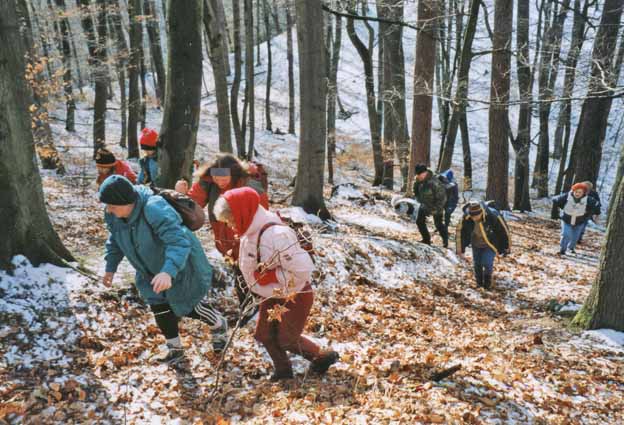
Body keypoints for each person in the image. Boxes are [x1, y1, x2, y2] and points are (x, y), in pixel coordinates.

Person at [213, 187, 339, 381]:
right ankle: (283, 372)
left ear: (242, 213)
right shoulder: (249, 231)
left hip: (295, 294)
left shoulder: (277, 234)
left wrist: (272, 276)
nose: (230, 226)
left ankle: (322, 357)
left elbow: (303, 269)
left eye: (231, 220)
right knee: (264, 335)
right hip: (272, 294)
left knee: (287, 339)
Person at [100, 175, 228, 365]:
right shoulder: (114, 215)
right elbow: (115, 239)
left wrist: (168, 271)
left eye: (112, 206)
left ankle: (219, 323)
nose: (108, 210)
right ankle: (175, 350)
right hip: (149, 270)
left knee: (188, 306)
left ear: (126, 202)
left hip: (181, 264)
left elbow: (178, 242)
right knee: (159, 308)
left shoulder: (154, 208)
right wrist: (110, 268)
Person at [175, 154, 269, 324]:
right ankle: (248, 311)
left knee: (249, 274)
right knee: (239, 274)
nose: (220, 182)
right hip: (224, 240)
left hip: (247, 239)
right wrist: (180, 195)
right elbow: (192, 203)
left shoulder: (249, 185)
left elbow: (263, 214)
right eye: (216, 178)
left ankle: (255, 313)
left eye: (224, 179)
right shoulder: (208, 183)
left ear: (234, 174)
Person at [456, 201, 511, 289]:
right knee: (477, 264)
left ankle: (487, 284)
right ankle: (479, 284)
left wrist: (506, 246)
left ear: (481, 212)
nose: (475, 218)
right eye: (473, 216)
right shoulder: (466, 218)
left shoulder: (492, 215)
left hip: (490, 243)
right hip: (476, 243)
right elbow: (460, 233)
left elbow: (503, 231)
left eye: (477, 216)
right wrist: (460, 250)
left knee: (487, 263)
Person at [552, 182, 601, 255]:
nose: (577, 194)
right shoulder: (567, 196)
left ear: (583, 193)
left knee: (575, 237)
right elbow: (555, 199)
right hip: (567, 220)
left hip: (579, 222)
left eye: (580, 192)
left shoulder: (588, 199)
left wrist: (593, 213)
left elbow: (597, 205)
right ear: (573, 191)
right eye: (576, 192)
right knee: (566, 234)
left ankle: (571, 248)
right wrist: (560, 208)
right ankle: (562, 249)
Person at [412, 164, 449, 247]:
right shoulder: (417, 180)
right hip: (424, 205)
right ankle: (426, 239)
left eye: (420, 174)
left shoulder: (434, 182)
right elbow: (415, 191)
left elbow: (442, 198)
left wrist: (436, 209)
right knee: (419, 221)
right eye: (417, 174)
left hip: (437, 206)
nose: (419, 176)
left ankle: (445, 241)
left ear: (425, 172)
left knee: (438, 224)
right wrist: (417, 199)